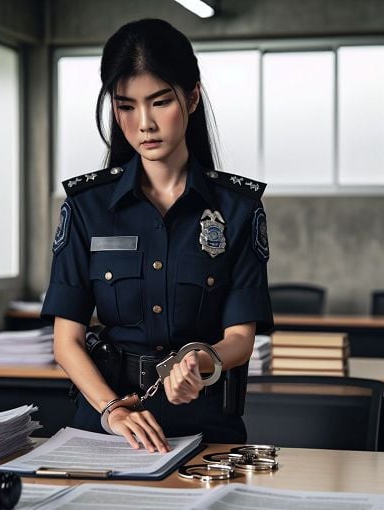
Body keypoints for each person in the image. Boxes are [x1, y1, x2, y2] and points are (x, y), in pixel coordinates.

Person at [41, 18, 273, 453]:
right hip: (107, 425)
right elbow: (66, 340)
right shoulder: (86, 206)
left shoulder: (237, 208)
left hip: (205, 425)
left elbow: (241, 337)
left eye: (160, 101)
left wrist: (201, 363)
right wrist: (112, 411)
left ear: (192, 96)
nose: (144, 123)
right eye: (126, 106)